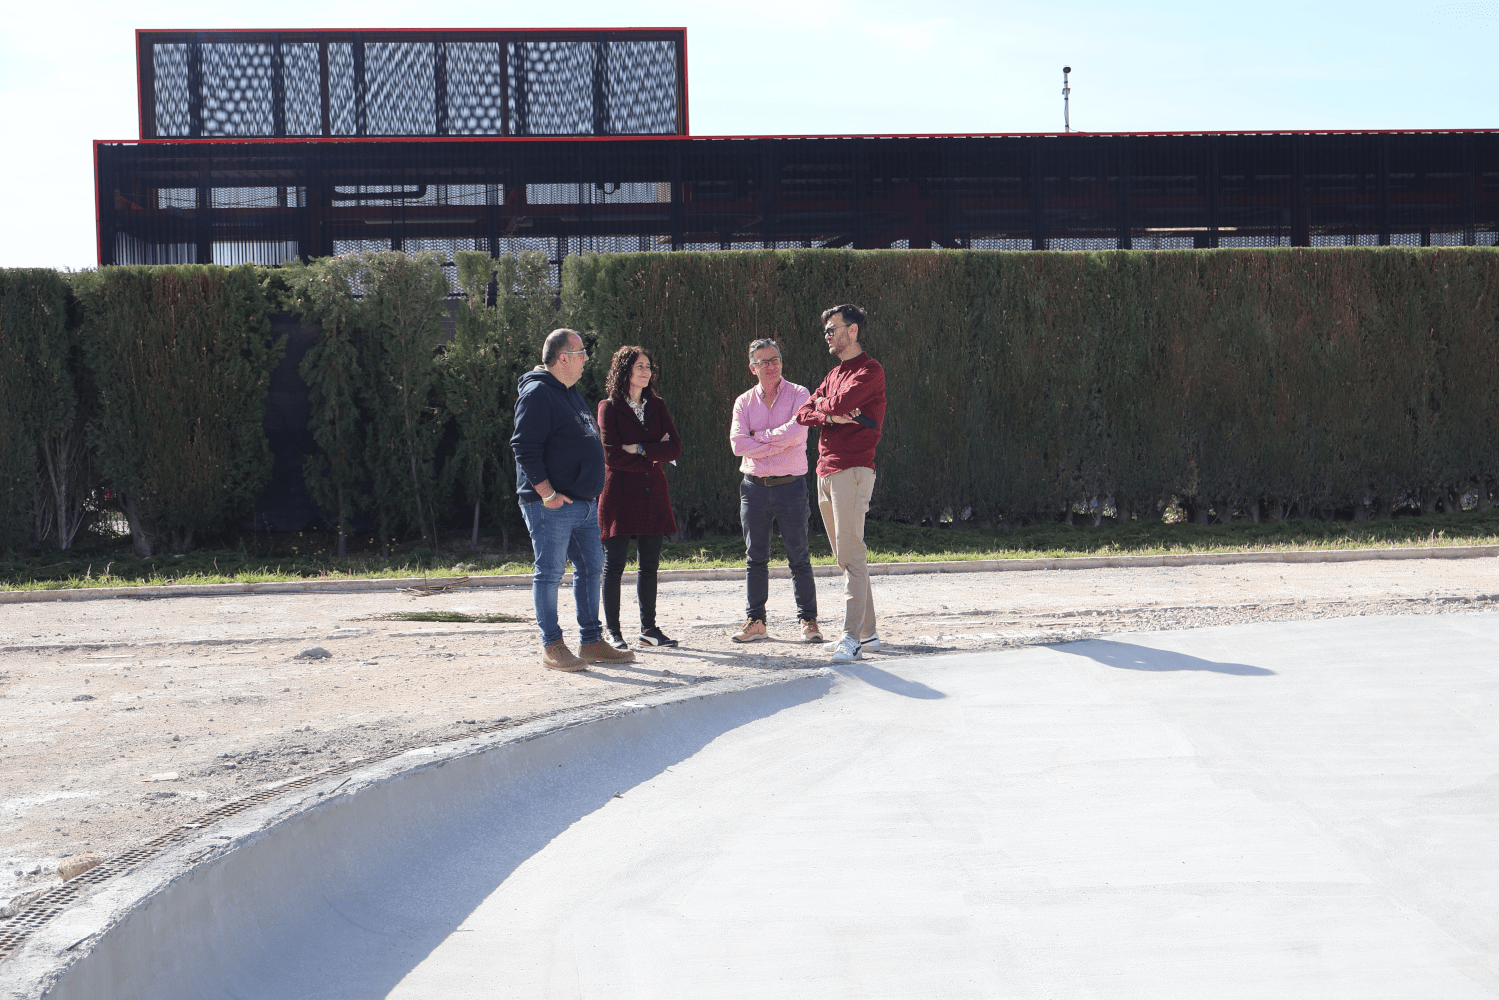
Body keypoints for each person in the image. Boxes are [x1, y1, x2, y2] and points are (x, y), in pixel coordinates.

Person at [510, 329, 636, 671]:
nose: (586, 359)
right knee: (550, 574)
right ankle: (552, 645)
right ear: (563, 358)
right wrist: (547, 494)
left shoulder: (569, 392)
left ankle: (591, 641)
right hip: (551, 506)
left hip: (584, 505)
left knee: (592, 569)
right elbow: (523, 447)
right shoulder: (537, 393)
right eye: (581, 353)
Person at [795, 304, 886, 663]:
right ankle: (868, 632)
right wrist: (831, 415)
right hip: (825, 470)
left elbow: (841, 402)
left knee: (851, 553)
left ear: (853, 331)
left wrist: (827, 406)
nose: (828, 336)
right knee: (845, 556)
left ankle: (851, 638)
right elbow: (803, 412)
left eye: (832, 329)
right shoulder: (833, 373)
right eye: (826, 331)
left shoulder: (870, 370)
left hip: (853, 470)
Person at [728, 338, 820, 644]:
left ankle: (808, 620)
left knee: (799, 556)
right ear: (752, 368)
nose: (771, 367)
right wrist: (776, 444)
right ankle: (756, 621)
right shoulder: (743, 402)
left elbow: (798, 433)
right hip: (753, 489)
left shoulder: (799, 394)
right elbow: (738, 444)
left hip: (791, 487)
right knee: (755, 558)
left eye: (775, 360)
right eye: (764, 362)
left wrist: (760, 437)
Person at [597, 345, 683, 648]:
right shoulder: (609, 407)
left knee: (649, 566)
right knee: (614, 566)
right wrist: (653, 453)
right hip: (619, 496)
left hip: (652, 494)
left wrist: (640, 448)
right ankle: (613, 631)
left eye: (648, 366)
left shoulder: (657, 405)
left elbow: (675, 447)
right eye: (639, 366)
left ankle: (649, 629)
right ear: (625, 371)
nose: (646, 371)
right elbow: (612, 456)